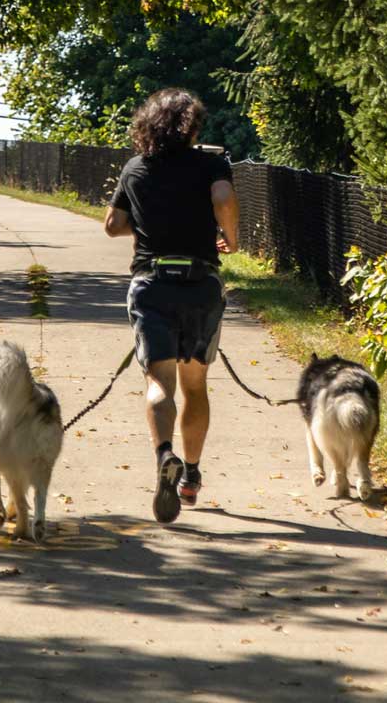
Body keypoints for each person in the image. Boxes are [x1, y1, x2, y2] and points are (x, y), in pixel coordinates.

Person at [104, 88, 240, 523]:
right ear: (192, 127)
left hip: (152, 282)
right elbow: (222, 199)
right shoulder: (211, 163)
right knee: (194, 384)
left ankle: (165, 454)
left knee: (158, 381)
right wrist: (230, 237)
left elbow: (113, 226)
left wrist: (148, 227)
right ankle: (192, 476)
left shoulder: (135, 168)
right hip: (200, 282)